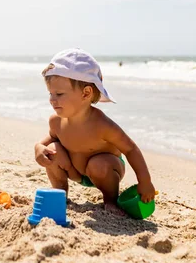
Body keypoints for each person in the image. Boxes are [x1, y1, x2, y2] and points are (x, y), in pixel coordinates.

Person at [34, 48, 155, 214]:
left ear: (86, 93)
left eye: (59, 94)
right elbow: (48, 139)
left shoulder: (102, 125)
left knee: (98, 165)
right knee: (53, 150)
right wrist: (39, 148)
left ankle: (110, 200)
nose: (52, 100)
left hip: (105, 171)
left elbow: (130, 149)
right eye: (51, 93)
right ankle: (60, 195)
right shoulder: (56, 121)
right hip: (76, 171)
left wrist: (145, 181)